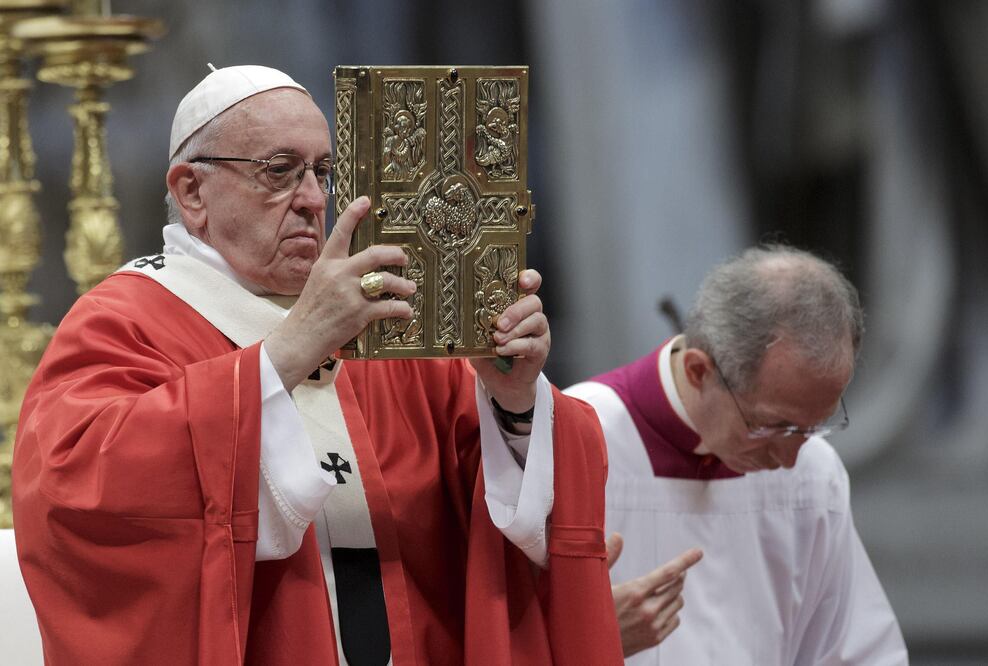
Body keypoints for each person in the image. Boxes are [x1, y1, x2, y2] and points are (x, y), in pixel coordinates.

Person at [12, 65, 623, 665]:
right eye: (278, 171)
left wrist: (513, 402)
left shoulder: (388, 322)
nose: (312, 200)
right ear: (192, 191)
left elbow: (495, 512)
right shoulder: (127, 320)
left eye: (323, 172)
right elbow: (74, 490)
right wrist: (288, 352)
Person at [565, 245, 909, 664]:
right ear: (698, 371)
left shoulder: (814, 472)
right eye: (772, 426)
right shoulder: (572, 440)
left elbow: (858, 652)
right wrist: (587, 638)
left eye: (813, 426)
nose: (789, 459)